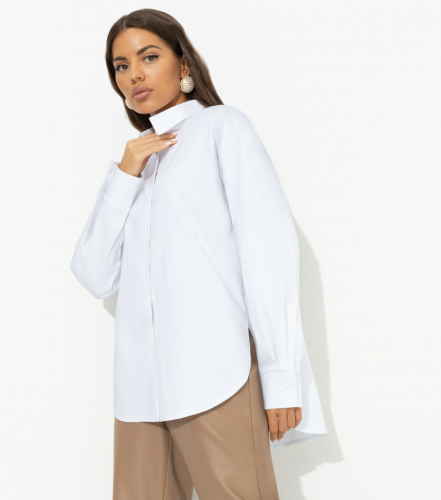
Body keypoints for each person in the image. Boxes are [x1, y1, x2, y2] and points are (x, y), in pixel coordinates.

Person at [70, 8, 327, 500]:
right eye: (121, 66)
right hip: (139, 391)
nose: (134, 74)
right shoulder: (136, 162)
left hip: (215, 374)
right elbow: (94, 274)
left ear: (183, 64)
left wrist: (281, 375)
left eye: (149, 57)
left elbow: (267, 252)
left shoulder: (221, 128)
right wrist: (124, 174)